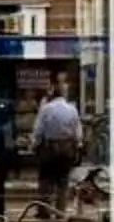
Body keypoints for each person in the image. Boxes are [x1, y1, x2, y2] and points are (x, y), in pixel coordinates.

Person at [33, 76, 84, 206]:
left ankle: (45, 209)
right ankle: (60, 210)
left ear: (52, 96)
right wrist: (77, 146)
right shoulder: (72, 109)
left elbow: (38, 130)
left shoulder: (46, 109)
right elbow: (78, 132)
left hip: (49, 148)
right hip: (67, 148)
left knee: (46, 179)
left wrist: (36, 145)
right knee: (63, 180)